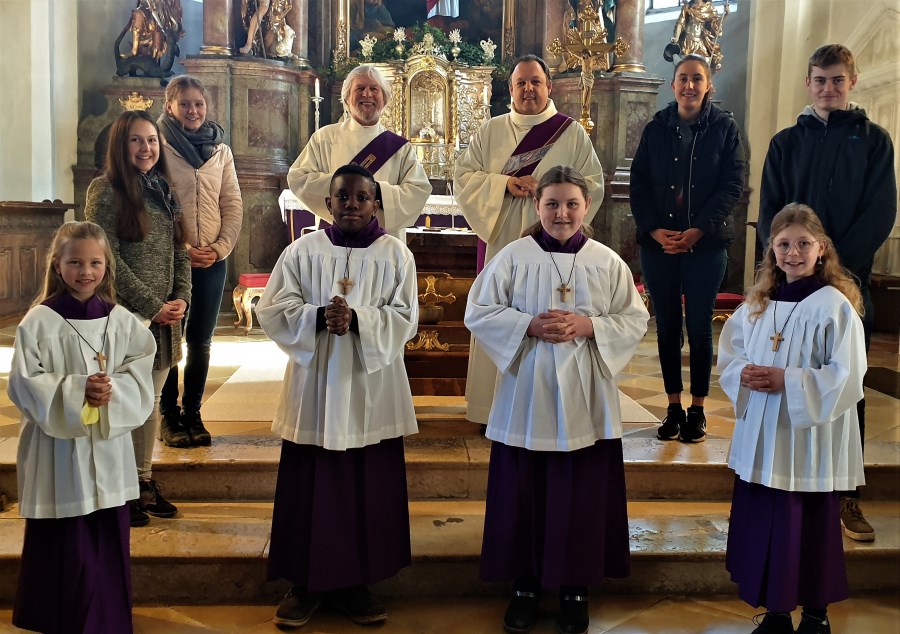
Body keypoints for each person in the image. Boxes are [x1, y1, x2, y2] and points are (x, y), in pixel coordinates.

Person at [465, 166, 648, 634]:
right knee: (524, 491)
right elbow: (479, 311)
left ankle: (575, 589)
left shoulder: (607, 262)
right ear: (537, 205)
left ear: (587, 207)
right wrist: (527, 324)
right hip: (527, 390)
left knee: (580, 494)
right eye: (552, 204)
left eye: (571, 204)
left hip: (586, 395)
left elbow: (633, 319)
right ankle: (524, 587)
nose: (562, 213)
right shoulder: (512, 257)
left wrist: (588, 325)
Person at [256, 164, 419, 629]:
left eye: (361, 197)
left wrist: (359, 319)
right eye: (342, 196)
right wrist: (316, 316)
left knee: (368, 485)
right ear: (327, 203)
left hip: (372, 386)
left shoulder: (395, 254)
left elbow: (405, 316)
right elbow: (274, 307)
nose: (351, 205)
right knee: (309, 484)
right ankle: (304, 583)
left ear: (376, 204)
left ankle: (357, 584)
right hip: (316, 386)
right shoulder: (301, 251)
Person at [757, 43, 897, 542]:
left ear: (851, 82)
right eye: (820, 79)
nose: (828, 88)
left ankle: (846, 495)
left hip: (845, 283)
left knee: (845, 385)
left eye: (837, 80)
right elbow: (771, 212)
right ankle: (781, 483)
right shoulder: (786, 142)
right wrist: (791, 262)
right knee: (786, 376)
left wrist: (831, 267)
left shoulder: (874, 141)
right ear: (808, 83)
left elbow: (880, 211)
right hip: (790, 285)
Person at [718, 204, 866, 634]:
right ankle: (777, 613)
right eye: (784, 244)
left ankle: (816, 615)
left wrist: (788, 380)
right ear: (772, 250)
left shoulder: (834, 305)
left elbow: (848, 375)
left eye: (804, 243)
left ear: (822, 249)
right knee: (766, 524)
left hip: (807, 440)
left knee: (808, 524)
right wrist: (742, 373)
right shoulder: (757, 304)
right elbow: (731, 354)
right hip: (764, 435)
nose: (793, 253)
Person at [8, 221, 156, 634]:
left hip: (107, 446)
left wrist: (113, 390)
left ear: (107, 266)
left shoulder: (121, 320)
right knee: (65, 532)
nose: (85, 271)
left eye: (95, 262)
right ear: (57, 265)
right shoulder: (39, 321)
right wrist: (77, 391)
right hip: (58, 448)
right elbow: (24, 382)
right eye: (75, 262)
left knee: (105, 529)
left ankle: (106, 615)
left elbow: (139, 368)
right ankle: (58, 616)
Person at [454, 53, 604, 424]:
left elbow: (593, 185)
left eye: (535, 81)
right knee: (501, 308)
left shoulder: (571, 132)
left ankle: (548, 408)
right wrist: (503, 184)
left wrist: (553, 198)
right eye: (520, 83)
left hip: (554, 246)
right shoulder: (491, 131)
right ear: (510, 89)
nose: (528, 89)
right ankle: (491, 408)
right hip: (503, 238)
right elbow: (464, 177)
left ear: (549, 86)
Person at [630, 53, 745, 444]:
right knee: (666, 327)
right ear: (673, 84)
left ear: (708, 85)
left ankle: (697, 409)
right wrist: (653, 230)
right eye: (683, 78)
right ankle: (673, 407)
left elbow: (732, 185)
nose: (689, 85)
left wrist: (698, 230)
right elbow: (639, 184)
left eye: (697, 78)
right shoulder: (656, 128)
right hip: (659, 245)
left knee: (698, 327)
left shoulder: (725, 128)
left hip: (706, 245)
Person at [85, 109, 192, 528]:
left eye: (151, 140)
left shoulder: (163, 189)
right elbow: (105, 258)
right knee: (122, 406)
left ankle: (143, 481)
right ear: (120, 144)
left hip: (164, 321)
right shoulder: (105, 190)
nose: (146, 148)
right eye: (136, 140)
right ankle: (119, 489)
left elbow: (180, 250)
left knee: (148, 404)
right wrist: (152, 306)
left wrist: (181, 297)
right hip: (126, 318)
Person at [157, 75, 243, 448]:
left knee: (201, 341)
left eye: (199, 104)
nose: (193, 110)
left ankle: (193, 412)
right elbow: (153, 207)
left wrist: (220, 248)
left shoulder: (221, 150)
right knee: (169, 339)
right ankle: (168, 415)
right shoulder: (157, 146)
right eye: (185, 104)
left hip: (211, 261)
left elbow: (232, 203)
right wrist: (182, 249)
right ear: (170, 106)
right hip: (172, 261)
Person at [287, 64, 430, 240]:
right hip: (334, 240)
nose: (367, 94)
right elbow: (299, 178)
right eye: (360, 88)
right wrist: (347, 189)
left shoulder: (400, 148)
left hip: (383, 243)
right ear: (347, 98)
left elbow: (418, 191)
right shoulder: (325, 138)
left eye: (374, 89)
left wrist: (377, 191)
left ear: (384, 99)